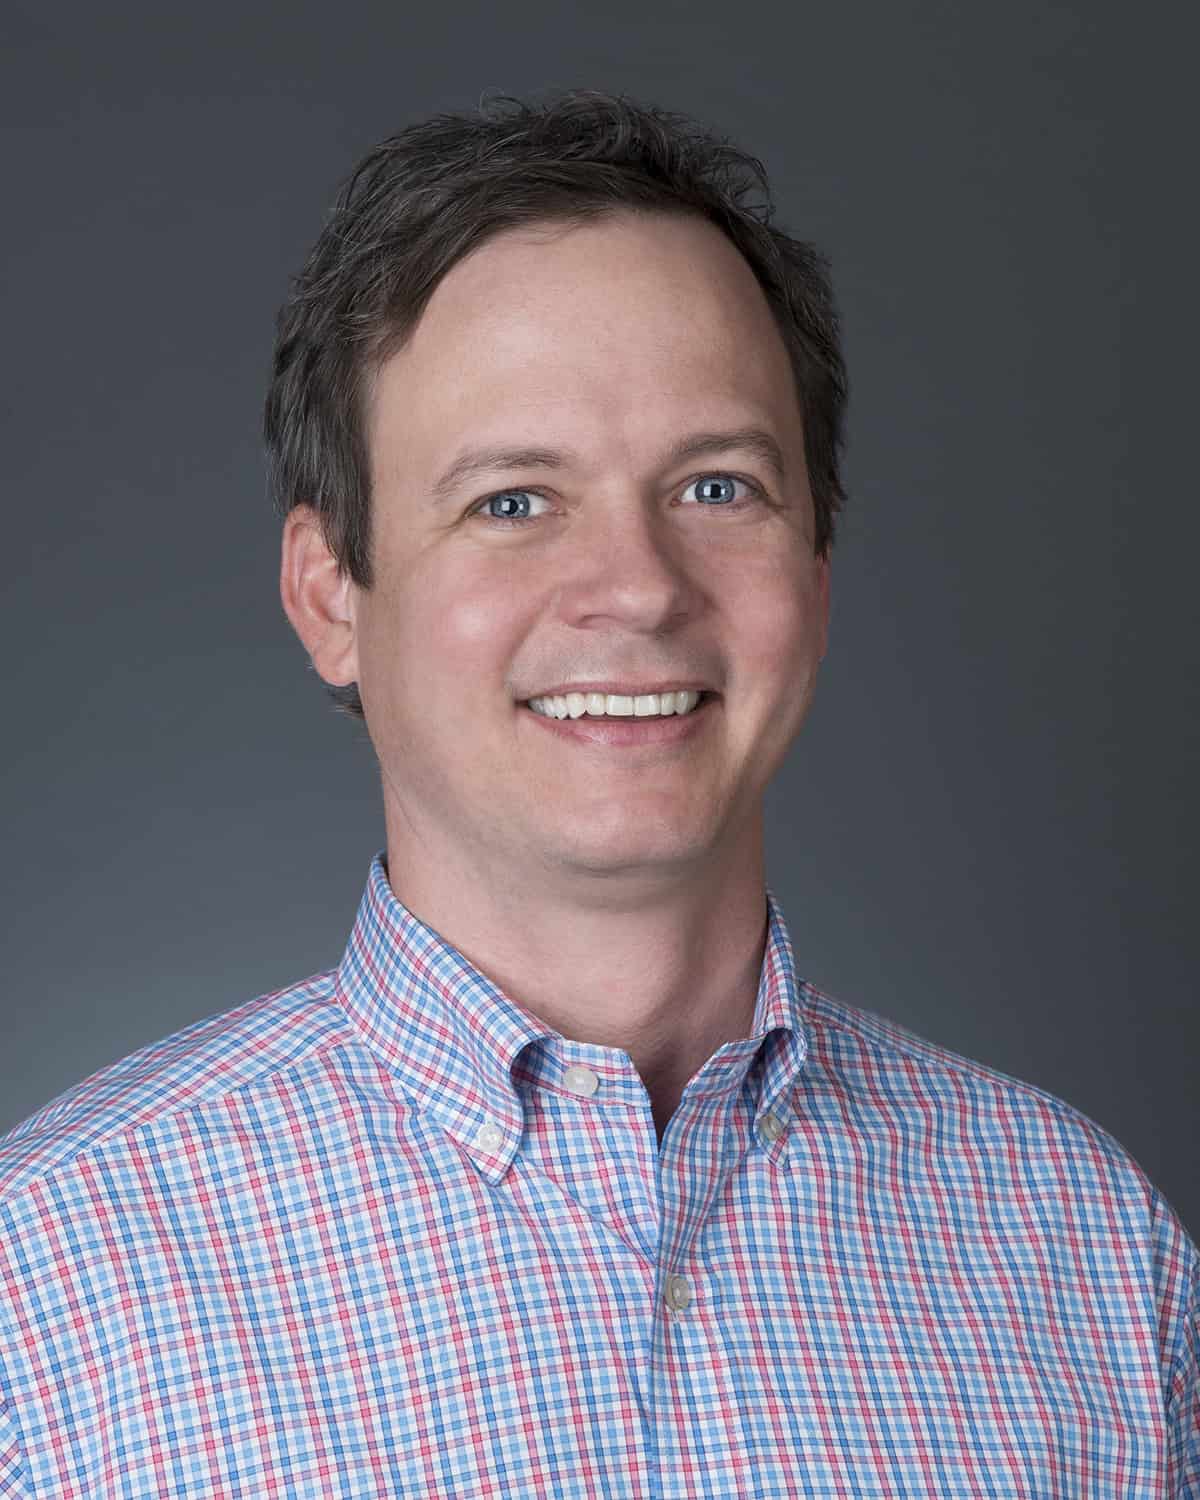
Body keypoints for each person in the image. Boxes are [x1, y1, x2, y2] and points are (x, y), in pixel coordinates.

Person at [0, 89, 1195, 1499]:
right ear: (331, 595)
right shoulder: (45, 1285)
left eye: (719, 487)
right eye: (513, 500)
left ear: (814, 575)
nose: (636, 585)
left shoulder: (1095, 1257)